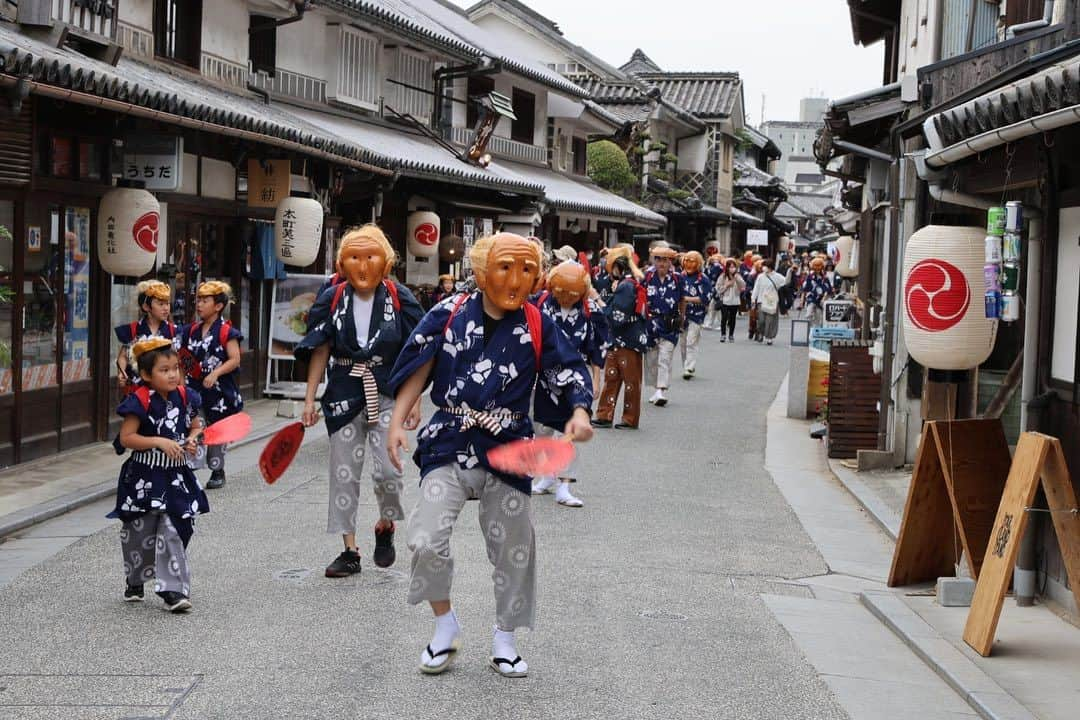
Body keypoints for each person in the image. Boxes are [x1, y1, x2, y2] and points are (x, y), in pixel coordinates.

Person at [386, 233, 594, 679]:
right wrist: (396, 422)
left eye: (526, 269)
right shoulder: (450, 312)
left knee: (514, 547)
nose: (516, 279)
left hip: (510, 442)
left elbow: (568, 369)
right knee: (425, 536)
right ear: (481, 272)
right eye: (505, 267)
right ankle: (445, 625)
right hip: (451, 437)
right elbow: (419, 365)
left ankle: (506, 635)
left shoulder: (538, 323)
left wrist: (578, 412)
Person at [294, 225, 425, 578]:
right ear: (342, 263)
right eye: (355, 258)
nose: (363, 266)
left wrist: (414, 401)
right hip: (342, 391)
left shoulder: (400, 297)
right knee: (343, 474)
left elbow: (417, 350)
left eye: (371, 257)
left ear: (386, 261)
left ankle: (386, 524)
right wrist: (310, 398)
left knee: (388, 469)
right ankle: (349, 550)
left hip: (386, 391)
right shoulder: (332, 297)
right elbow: (320, 347)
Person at [109, 337, 206, 613]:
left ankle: (173, 590)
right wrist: (158, 441)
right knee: (138, 531)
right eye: (164, 370)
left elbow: (197, 425)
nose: (173, 374)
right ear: (146, 375)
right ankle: (136, 578)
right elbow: (127, 438)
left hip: (176, 475)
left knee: (176, 527)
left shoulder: (185, 396)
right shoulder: (139, 400)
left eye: (175, 367)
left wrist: (192, 439)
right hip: (143, 475)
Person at [531, 261, 609, 507]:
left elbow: (596, 347)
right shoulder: (539, 305)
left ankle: (564, 485)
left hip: (574, 379)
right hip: (542, 377)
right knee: (540, 431)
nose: (565, 299)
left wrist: (596, 380)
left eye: (572, 295)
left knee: (568, 432)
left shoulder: (588, 312)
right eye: (561, 293)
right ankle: (546, 475)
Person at [180, 281, 243, 490]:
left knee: (216, 429)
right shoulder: (190, 331)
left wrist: (216, 373)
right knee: (194, 426)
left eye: (205, 300)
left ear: (218, 306)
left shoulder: (226, 332)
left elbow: (234, 359)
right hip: (193, 387)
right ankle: (191, 470)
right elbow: (182, 359)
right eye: (198, 300)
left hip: (218, 391)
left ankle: (217, 469)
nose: (199, 304)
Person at [593, 245, 649, 429]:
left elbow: (616, 316)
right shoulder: (627, 283)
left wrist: (596, 299)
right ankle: (604, 414)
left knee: (630, 381)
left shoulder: (626, 286)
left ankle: (629, 418)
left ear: (617, 266)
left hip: (628, 338)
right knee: (611, 376)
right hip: (618, 339)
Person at [114, 280, 179, 393]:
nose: (166, 308)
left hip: (164, 390)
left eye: (167, 303)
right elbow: (123, 356)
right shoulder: (133, 329)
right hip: (136, 389)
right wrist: (121, 372)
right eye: (160, 304)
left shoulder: (174, 331)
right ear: (146, 306)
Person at [644, 245, 683, 407]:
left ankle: (661, 389)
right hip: (650, 323)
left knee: (665, 358)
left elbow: (682, 299)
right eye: (658, 259)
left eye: (665, 260)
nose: (661, 263)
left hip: (669, 323)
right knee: (652, 359)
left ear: (670, 262)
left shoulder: (677, 278)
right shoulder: (646, 277)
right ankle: (655, 388)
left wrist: (682, 317)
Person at [678, 251, 711, 378]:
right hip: (682, 314)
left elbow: (706, 298)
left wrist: (688, 299)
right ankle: (686, 364)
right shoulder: (679, 277)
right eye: (686, 260)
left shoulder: (703, 279)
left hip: (696, 314)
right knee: (683, 342)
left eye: (692, 261)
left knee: (691, 341)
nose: (688, 263)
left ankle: (689, 367)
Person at [751, 259, 787, 345]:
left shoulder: (777, 276)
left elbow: (786, 281)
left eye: (765, 266)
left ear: (770, 267)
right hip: (761, 300)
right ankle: (761, 332)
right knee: (761, 320)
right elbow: (756, 288)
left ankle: (769, 337)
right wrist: (753, 298)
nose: (764, 268)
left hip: (772, 301)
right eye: (763, 266)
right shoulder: (760, 276)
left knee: (770, 320)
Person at [715, 259, 745, 343]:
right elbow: (718, 288)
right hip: (725, 300)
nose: (732, 269)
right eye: (730, 267)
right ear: (727, 268)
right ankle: (723, 334)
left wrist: (737, 279)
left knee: (732, 318)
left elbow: (743, 286)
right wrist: (726, 285)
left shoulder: (738, 276)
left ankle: (731, 335)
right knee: (724, 318)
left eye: (733, 267)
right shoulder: (722, 276)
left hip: (735, 300)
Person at [801, 257, 832, 326]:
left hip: (820, 300)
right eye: (816, 268)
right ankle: (811, 328)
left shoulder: (825, 278)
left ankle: (816, 331)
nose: (817, 269)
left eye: (819, 268)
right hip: (811, 298)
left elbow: (827, 290)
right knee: (808, 314)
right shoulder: (810, 276)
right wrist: (801, 301)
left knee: (819, 317)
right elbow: (805, 289)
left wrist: (824, 298)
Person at [703, 254, 724, 330]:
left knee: (718, 307)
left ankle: (722, 324)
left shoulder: (717, 266)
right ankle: (710, 323)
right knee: (713, 307)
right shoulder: (712, 266)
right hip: (714, 287)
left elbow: (712, 276)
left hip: (718, 288)